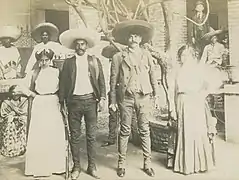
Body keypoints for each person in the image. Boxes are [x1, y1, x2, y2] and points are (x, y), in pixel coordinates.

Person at [110, 20, 160, 177]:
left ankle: (147, 163)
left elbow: (153, 76)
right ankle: (121, 163)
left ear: (141, 39)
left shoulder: (147, 56)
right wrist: (112, 101)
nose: (134, 39)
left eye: (137, 36)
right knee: (124, 131)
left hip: (144, 97)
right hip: (126, 98)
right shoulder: (118, 57)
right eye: (131, 36)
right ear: (127, 39)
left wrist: (156, 95)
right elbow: (113, 80)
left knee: (144, 130)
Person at [59, 28, 106, 180]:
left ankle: (92, 166)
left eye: (83, 44)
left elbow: (101, 82)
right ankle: (76, 166)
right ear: (74, 47)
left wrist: (103, 98)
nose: (80, 46)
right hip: (74, 102)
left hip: (91, 101)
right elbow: (63, 84)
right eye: (77, 44)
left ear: (87, 46)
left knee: (91, 137)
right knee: (75, 136)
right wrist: (61, 102)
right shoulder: (68, 63)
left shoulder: (94, 61)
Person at [167, 45, 220, 175]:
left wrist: (202, 94)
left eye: (187, 55)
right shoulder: (176, 71)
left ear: (193, 56)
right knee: (183, 131)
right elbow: (171, 90)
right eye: (182, 55)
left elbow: (212, 84)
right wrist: (172, 109)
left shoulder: (198, 70)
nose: (184, 58)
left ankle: (200, 164)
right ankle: (185, 165)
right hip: (182, 102)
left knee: (197, 132)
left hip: (196, 102)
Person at [16, 49, 67, 178]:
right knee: (40, 133)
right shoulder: (34, 73)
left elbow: (63, 87)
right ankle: (39, 167)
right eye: (41, 60)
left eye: (46, 60)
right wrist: (31, 94)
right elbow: (21, 85)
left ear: (50, 60)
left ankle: (57, 166)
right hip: (40, 103)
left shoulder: (56, 72)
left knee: (54, 133)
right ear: (38, 60)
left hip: (53, 102)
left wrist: (62, 102)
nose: (44, 62)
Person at [0, 86, 28, 157]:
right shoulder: (6, 103)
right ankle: (10, 149)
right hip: (10, 120)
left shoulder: (24, 101)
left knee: (24, 122)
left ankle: (21, 148)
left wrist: (20, 118)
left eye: (17, 92)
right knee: (10, 125)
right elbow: (3, 115)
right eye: (13, 92)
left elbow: (26, 112)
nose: (14, 94)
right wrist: (12, 116)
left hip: (21, 119)